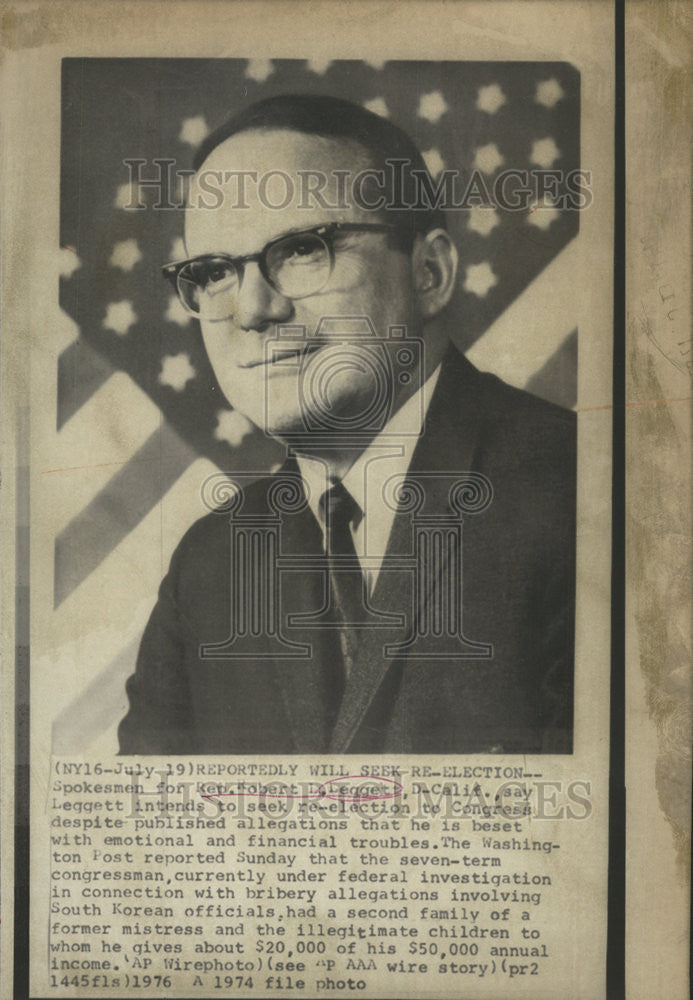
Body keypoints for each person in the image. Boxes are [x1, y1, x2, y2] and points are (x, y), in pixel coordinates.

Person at [118, 94, 575, 755]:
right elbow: (139, 846)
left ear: (429, 273)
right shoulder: (209, 565)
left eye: (302, 249)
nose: (250, 310)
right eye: (213, 271)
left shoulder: (584, 494)